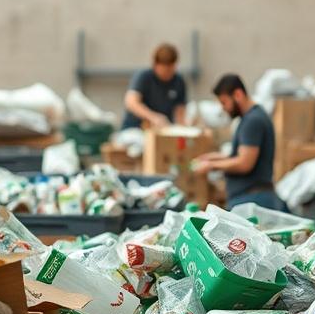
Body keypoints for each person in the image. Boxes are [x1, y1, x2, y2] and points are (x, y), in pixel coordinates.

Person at [196, 73, 285, 211]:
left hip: (252, 200)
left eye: (224, 102)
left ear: (237, 94)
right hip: (249, 199)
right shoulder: (250, 118)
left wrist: (211, 165)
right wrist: (213, 157)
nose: (223, 108)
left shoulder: (252, 121)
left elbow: (244, 163)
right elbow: (240, 154)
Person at [121, 43, 187, 129]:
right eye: (164, 69)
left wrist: (183, 128)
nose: (167, 73)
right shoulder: (143, 77)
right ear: (155, 65)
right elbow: (131, 102)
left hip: (164, 130)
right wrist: (153, 117)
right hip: (136, 129)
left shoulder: (178, 81)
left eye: (170, 69)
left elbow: (180, 112)